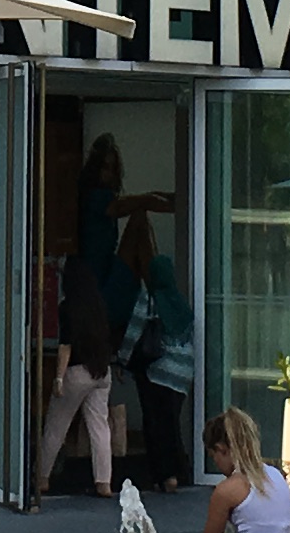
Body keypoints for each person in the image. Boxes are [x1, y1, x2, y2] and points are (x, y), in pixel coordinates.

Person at [114, 210, 196, 491]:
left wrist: (122, 362)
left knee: (155, 424)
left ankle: (164, 475)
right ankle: (180, 471)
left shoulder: (149, 299)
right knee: (171, 424)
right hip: (182, 374)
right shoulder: (181, 302)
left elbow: (134, 332)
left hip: (155, 372)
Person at [32, 261, 117, 503]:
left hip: (77, 372)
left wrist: (59, 378)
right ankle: (104, 481)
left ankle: (42, 477)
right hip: (101, 372)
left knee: (56, 426)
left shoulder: (68, 307)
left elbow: (65, 346)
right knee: (99, 427)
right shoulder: (99, 306)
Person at [190, 408, 290, 533]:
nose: (217, 464)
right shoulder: (277, 475)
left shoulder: (227, 490)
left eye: (214, 457)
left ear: (221, 449)